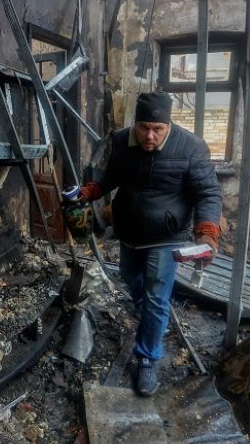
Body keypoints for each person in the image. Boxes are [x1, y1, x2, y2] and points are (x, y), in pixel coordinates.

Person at [76, 91, 222, 397]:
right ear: (135, 123)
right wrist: (90, 191)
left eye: (158, 129)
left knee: (157, 296)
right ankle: (153, 318)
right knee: (131, 278)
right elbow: (111, 176)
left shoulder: (191, 147)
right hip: (129, 232)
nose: (149, 136)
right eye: (143, 128)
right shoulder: (120, 141)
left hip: (166, 236)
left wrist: (207, 230)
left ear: (168, 125)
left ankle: (146, 358)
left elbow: (207, 193)